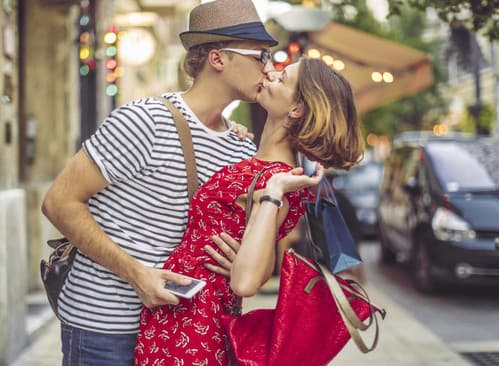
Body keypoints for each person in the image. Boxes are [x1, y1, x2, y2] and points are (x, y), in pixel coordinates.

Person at [41, 0, 279, 364]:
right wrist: (136, 274)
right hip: (106, 328)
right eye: (260, 56)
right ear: (218, 59)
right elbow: (58, 203)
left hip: (181, 336)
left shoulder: (239, 149)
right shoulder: (145, 121)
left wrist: (239, 264)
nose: (268, 67)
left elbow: (247, 257)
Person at [135, 57, 364, 365]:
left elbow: (246, 283)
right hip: (179, 313)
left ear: (295, 109)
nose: (270, 74)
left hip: (197, 325)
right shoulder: (258, 161)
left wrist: (272, 194)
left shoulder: (278, 180)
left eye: (282, 79)